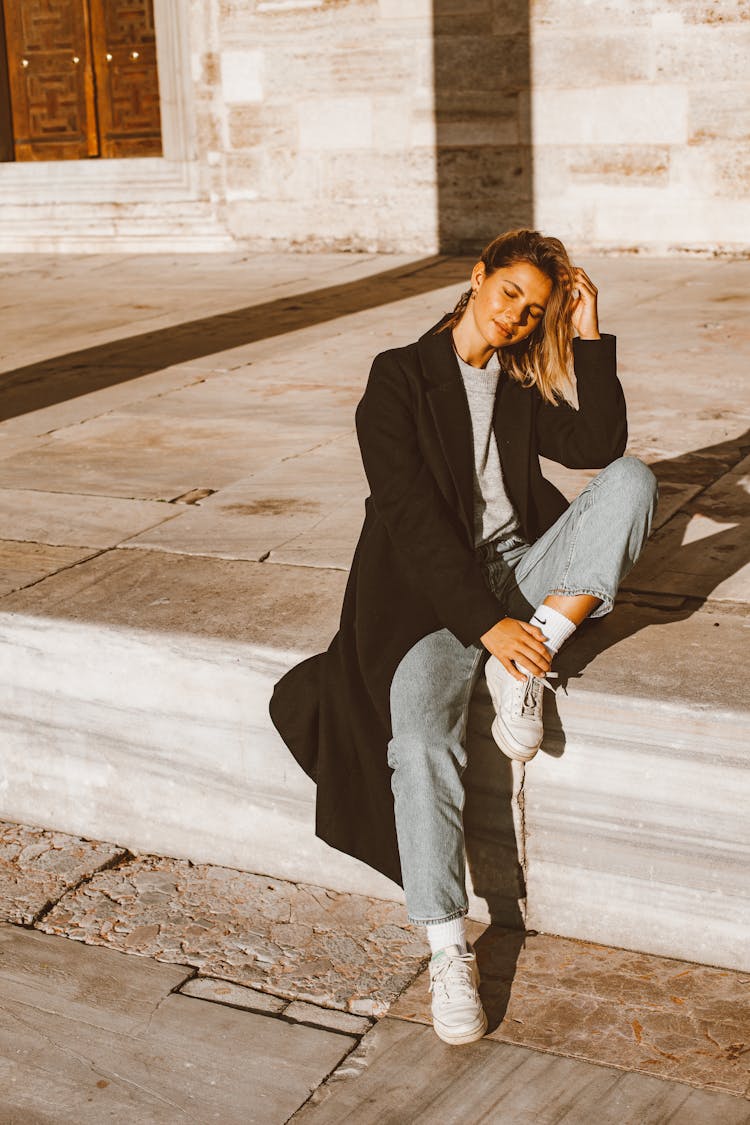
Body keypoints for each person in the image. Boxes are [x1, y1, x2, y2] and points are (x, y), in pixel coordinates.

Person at [270, 229, 658, 1047]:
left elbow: (599, 448)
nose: (519, 316)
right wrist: (485, 625)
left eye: (537, 308)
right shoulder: (397, 378)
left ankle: (526, 664)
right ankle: (448, 948)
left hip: (520, 575)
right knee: (418, 743)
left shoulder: (516, 382)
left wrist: (589, 331)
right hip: (427, 607)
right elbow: (408, 518)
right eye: (510, 292)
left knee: (634, 483)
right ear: (478, 277)